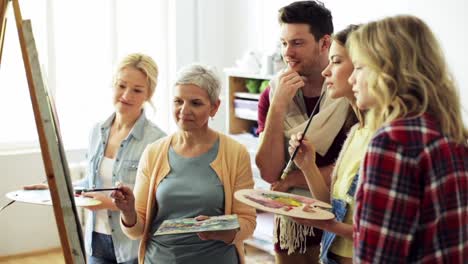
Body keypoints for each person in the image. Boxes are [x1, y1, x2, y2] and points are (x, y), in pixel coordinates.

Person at [347, 15, 468, 263]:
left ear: (387, 71)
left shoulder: (393, 142)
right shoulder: (451, 132)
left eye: (359, 67)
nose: (351, 79)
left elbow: (378, 257)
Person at [25, 53, 166, 264]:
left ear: (149, 94)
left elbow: (155, 202)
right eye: (121, 86)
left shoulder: (157, 141)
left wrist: (107, 203)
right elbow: (91, 185)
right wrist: (55, 188)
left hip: (132, 248)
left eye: (137, 90)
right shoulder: (96, 132)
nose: (126, 95)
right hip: (96, 241)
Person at [111, 64, 257, 264]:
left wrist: (220, 230)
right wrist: (128, 211)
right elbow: (137, 231)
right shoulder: (154, 152)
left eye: (196, 103)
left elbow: (247, 222)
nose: (184, 110)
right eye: (178, 101)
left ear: (214, 107)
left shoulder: (235, 153)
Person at [255, 1, 352, 262]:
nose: (288, 52)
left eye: (297, 43)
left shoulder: (348, 93)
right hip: (292, 223)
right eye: (284, 43)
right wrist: (277, 108)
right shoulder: (272, 94)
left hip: (344, 218)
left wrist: (291, 180)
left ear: (324, 43)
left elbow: (351, 171)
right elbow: (269, 172)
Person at [288, 25, 366, 264]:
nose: (326, 72)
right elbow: (334, 209)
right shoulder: (356, 133)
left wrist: (327, 224)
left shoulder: (381, 139)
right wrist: (308, 166)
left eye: (336, 61)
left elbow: (384, 234)